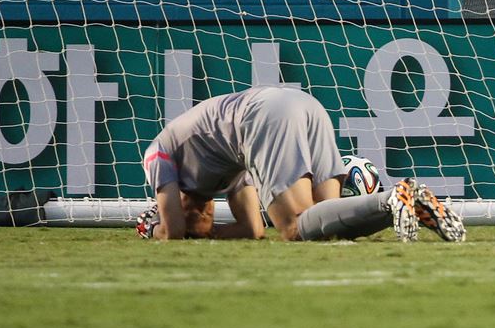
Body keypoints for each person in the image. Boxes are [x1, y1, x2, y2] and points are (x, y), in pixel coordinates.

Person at [139, 86, 465, 243]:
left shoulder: (158, 155)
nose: (202, 215)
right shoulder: (216, 167)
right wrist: (208, 234)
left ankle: (390, 194)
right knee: (327, 227)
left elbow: (174, 233)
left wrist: (152, 229)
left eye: (189, 211)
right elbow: (253, 230)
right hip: (299, 104)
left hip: (263, 117)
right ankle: (398, 200)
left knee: (293, 227)